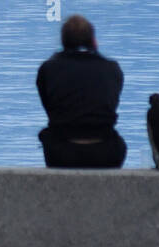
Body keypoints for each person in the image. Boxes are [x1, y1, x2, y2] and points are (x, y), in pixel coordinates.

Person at [36, 15, 126, 168]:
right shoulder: (112, 69)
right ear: (94, 41)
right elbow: (111, 103)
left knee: (48, 134)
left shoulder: (48, 69)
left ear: (63, 42)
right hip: (106, 152)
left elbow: (49, 108)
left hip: (61, 153)